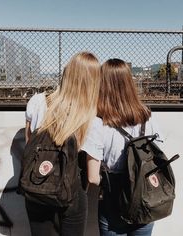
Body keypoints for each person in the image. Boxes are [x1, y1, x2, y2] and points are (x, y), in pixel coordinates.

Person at [81, 58, 163, 236]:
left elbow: (93, 177)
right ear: (129, 82)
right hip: (144, 199)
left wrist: (114, 185)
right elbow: (157, 157)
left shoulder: (97, 123)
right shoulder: (147, 116)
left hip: (113, 202)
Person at [24, 51, 101, 236]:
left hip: (37, 185)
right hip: (72, 192)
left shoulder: (37, 102)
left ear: (67, 73)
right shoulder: (92, 118)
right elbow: (90, 174)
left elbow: (28, 144)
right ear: (94, 81)